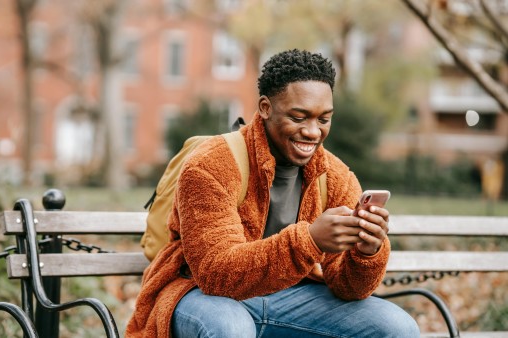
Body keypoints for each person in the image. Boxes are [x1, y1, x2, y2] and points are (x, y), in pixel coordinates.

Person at [126, 49, 420, 337]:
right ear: (265, 108)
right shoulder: (211, 163)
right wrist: (310, 240)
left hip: (291, 299)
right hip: (199, 295)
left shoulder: (335, 176)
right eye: (298, 117)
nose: (313, 132)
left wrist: (366, 252)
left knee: (397, 327)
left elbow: (348, 288)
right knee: (231, 329)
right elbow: (215, 274)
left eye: (323, 119)